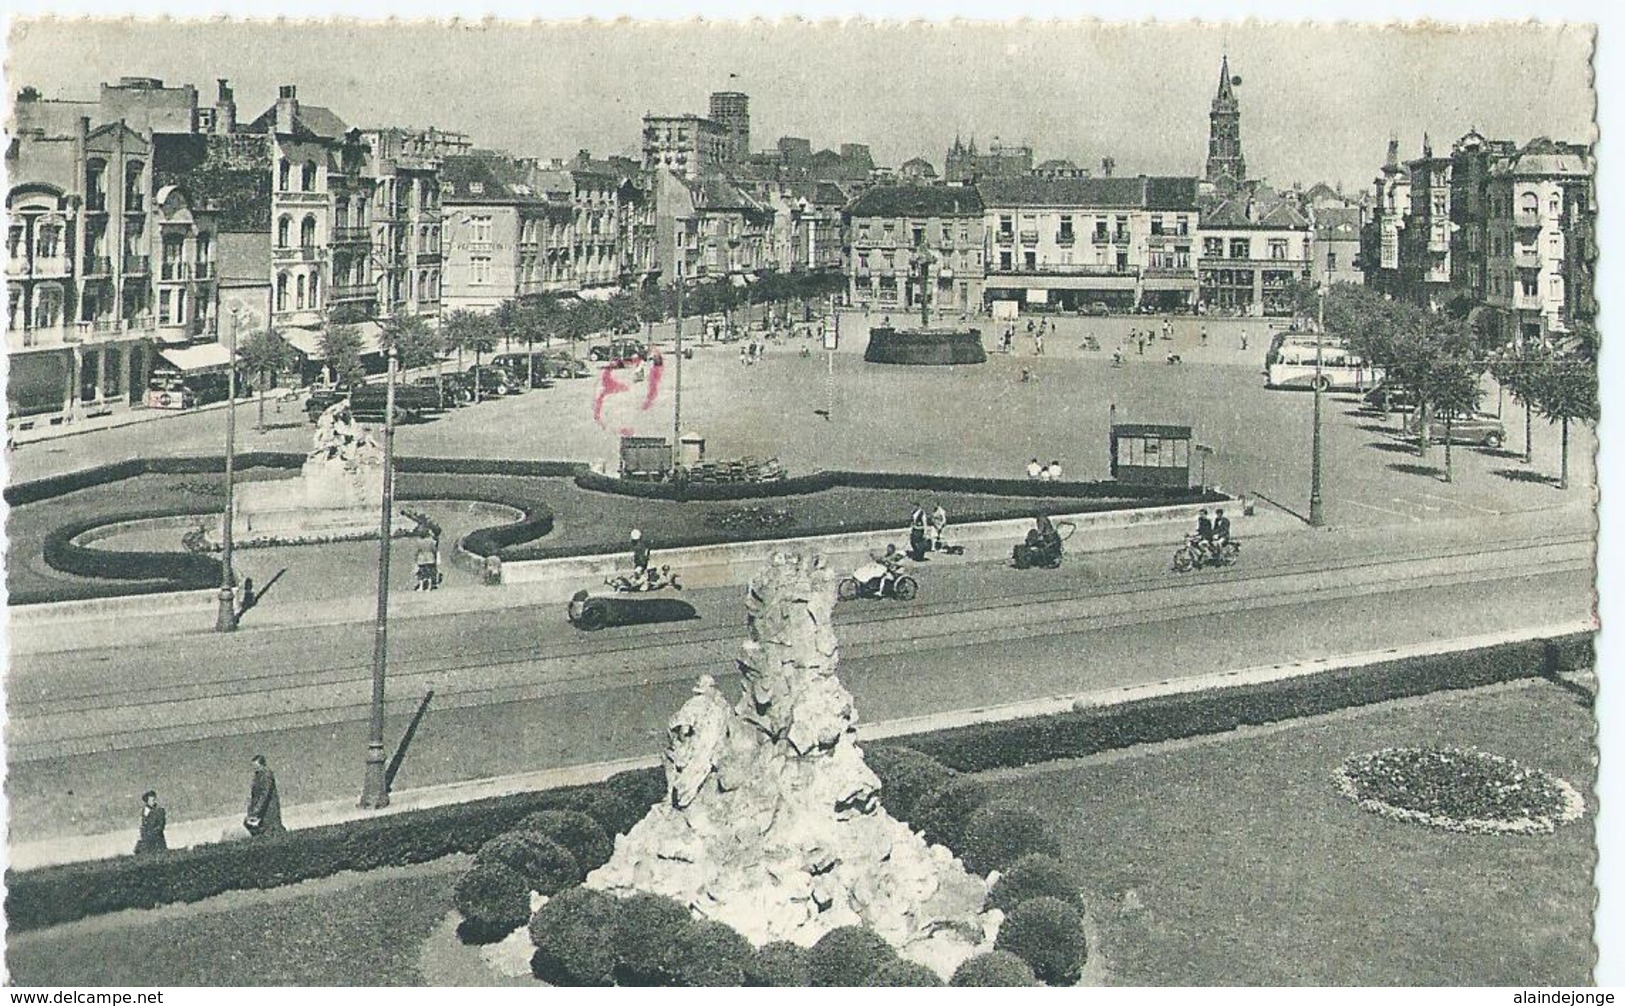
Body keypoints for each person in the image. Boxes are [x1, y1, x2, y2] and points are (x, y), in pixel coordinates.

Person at [244, 754, 284, 837]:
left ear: (262, 764)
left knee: (271, 828)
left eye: (256, 766)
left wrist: (256, 809)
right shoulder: (258, 776)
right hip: (261, 807)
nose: (255, 768)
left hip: (268, 807)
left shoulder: (266, 775)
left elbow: (265, 794)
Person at [135, 790, 167, 855]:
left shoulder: (159, 811)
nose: (154, 802)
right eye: (152, 800)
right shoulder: (145, 811)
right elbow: (144, 824)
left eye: (154, 799)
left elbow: (161, 825)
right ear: (147, 801)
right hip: (148, 837)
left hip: (157, 837)